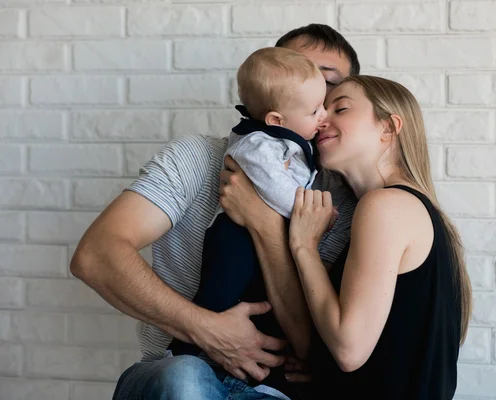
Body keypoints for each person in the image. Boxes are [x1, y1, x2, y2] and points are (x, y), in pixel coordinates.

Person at [70, 24, 359, 400]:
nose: (312, 89)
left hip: (273, 390)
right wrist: (207, 329)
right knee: (185, 378)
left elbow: (317, 346)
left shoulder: (342, 203)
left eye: (326, 82)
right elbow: (96, 256)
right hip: (176, 370)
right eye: (295, 70)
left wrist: (263, 220)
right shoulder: (198, 157)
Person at [284, 75, 473, 399]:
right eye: (319, 110)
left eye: (340, 108)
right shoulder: (406, 209)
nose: (321, 120)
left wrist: (303, 246)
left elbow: (349, 348)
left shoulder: (385, 206)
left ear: (388, 127)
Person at [168, 47, 327, 359]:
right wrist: (307, 211)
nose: (324, 115)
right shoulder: (258, 144)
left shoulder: (286, 138)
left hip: (254, 233)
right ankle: (187, 348)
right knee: (219, 293)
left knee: (252, 295)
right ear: (275, 119)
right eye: (315, 111)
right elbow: (275, 188)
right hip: (234, 235)